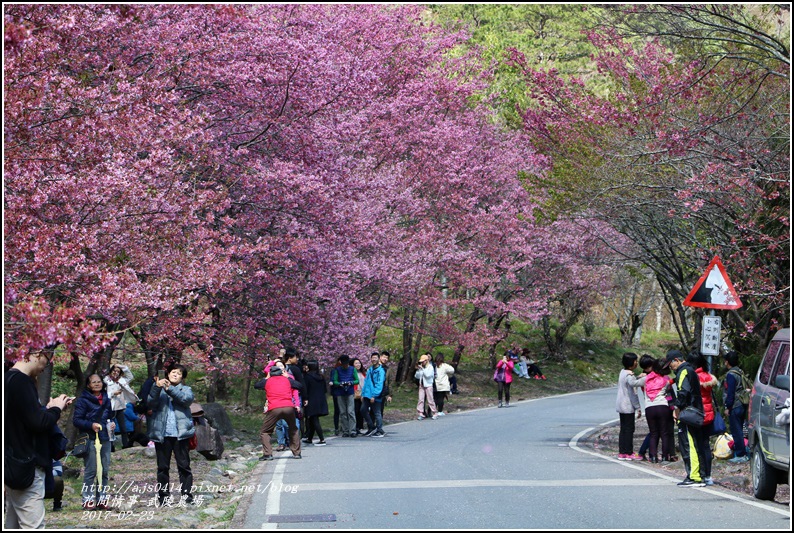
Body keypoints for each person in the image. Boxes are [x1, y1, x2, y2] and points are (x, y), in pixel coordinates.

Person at [5, 352, 72, 529]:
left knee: (13, 525)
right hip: (28, 466)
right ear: (36, 353)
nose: (46, 365)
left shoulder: (8, 379)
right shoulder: (21, 381)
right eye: (47, 358)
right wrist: (56, 409)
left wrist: (48, 409)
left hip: (15, 465)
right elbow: (38, 423)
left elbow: (27, 419)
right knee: (33, 526)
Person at [147, 364, 196, 505]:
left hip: (181, 435)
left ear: (182, 378)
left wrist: (170, 389)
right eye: (173, 372)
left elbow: (186, 401)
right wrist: (157, 387)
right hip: (162, 434)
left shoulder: (186, 390)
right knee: (163, 468)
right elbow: (150, 403)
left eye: (179, 373)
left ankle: (187, 496)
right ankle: (163, 497)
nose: (175, 375)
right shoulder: (158, 390)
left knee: (184, 467)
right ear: (167, 374)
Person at [73, 374, 116, 509]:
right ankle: (88, 499)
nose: (97, 384)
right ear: (88, 385)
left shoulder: (107, 399)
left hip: (105, 437)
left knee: (104, 470)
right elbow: (76, 420)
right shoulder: (83, 400)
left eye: (99, 382)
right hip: (90, 438)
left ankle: (102, 499)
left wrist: (112, 424)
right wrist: (90, 425)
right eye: (94, 382)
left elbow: (109, 416)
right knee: (91, 470)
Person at [666, 349, 707, 487]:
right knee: (695, 443)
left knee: (689, 444)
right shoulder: (690, 371)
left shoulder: (684, 371)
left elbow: (683, 393)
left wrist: (676, 409)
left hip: (688, 413)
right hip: (694, 412)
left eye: (671, 364)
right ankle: (698, 475)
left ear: (676, 360)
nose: (670, 368)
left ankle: (694, 476)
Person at [259, 365, 304, 460]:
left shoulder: (267, 381)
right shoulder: (287, 380)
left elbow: (257, 385)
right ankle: (297, 453)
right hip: (289, 407)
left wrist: (266, 378)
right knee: (293, 429)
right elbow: (300, 386)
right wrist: (287, 377)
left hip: (274, 408)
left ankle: (268, 454)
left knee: (265, 431)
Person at [639, 356, 675, 463]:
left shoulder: (645, 379)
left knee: (653, 433)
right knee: (664, 433)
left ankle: (653, 457)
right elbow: (669, 394)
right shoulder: (665, 379)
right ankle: (665, 457)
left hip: (649, 408)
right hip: (663, 407)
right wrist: (673, 408)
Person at [692, 352, 718, 485]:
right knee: (706, 445)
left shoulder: (694, 377)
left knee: (697, 445)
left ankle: (700, 473)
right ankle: (708, 475)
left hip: (698, 414)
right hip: (709, 414)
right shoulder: (708, 377)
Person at [616, 353, 645, 460]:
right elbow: (633, 386)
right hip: (627, 406)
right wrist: (646, 378)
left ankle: (622, 452)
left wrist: (638, 377)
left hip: (620, 405)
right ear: (631, 363)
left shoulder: (623, 372)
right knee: (629, 429)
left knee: (623, 429)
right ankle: (628, 452)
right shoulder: (629, 375)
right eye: (635, 361)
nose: (637, 363)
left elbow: (630, 382)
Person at [722, 351, 750, 463]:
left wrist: (727, 407)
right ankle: (744, 451)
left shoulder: (731, 374)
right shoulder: (740, 372)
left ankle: (740, 454)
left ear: (727, 362)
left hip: (735, 405)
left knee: (736, 430)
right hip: (743, 404)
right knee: (741, 429)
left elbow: (730, 393)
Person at [104, 364, 139, 449]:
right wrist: (113, 393)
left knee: (123, 427)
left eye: (118, 372)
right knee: (110, 427)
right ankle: (111, 446)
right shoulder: (106, 380)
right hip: (110, 406)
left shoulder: (122, 380)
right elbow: (104, 394)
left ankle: (125, 444)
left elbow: (130, 376)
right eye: (114, 371)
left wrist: (120, 366)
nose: (116, 373)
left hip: (120, 406)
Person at [302, 360, 329, 446]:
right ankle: (310, 438)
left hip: (311, 400)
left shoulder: (307, 376)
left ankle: (322, 439)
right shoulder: (321, 377)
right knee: (312, 419)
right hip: (321, 399)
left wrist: (305, 398)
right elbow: (325, 389)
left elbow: (305, 389)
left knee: (314, 419)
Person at [331, 355, 359, 438]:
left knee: (351, 411)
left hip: (350, 392)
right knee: (343, 412)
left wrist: (351, 383)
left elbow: (357, 380)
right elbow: (335, 381)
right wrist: (340, 384)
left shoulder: (352, 369)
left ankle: (352, 430)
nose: (345, 365)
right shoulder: (337, 370)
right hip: (340, 392)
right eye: (343, 364)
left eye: (346, 364)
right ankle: (345, 430)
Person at [361, 352, 386, 437]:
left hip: (375, 395)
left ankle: (380, 430)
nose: (373, 359)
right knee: (363, 410)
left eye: (375, 358)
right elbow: (366, 382)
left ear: (378, 359)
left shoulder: (380, 371)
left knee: (377, 412)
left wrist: (374, 395)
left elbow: (379, 384)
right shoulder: (370, 370)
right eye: (372, 358)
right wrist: (363, 394)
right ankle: (372, 427)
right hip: (367, 394)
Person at [415, 353, 438, 420]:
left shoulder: (430, 367)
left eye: (423, 361)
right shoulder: (422, 368)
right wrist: (418, 370)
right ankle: (420, 413)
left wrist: (423, 369)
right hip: (421, 385)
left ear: (426, 361)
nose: (422, 363)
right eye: (421, 362)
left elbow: (428, 375)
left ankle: (434, 412)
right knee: (421, 399)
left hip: (428, 385)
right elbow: (417, 376)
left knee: (430, 399)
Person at [379, 351, 397, 418]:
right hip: (374, 391)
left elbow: (390, 382)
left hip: (383, 391)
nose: (385, 359)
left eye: (387, 358)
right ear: (380, 357)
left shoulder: (388, 369)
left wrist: (390, 395)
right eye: (384, 357)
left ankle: (379, 425)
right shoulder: (373, 367)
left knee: (381, 409)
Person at [352, 358, 367, 434]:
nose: (358, 365)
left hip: (363, 394)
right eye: (356, 363)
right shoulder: (352, 373)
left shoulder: (363, 372)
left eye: (359, 363)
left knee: (362, 410)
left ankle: (360, 426)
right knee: (356, 410)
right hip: (355, 393)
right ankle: (356, 427)